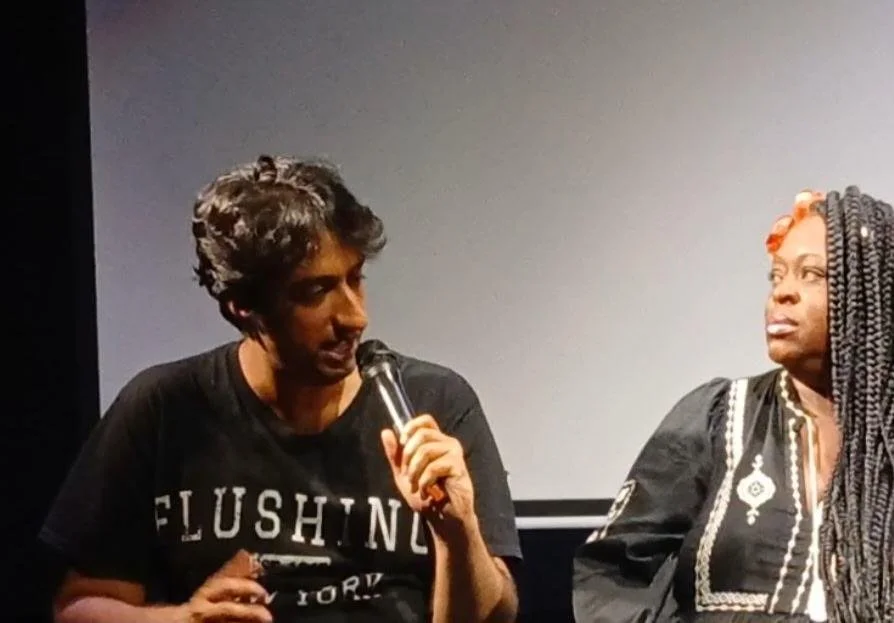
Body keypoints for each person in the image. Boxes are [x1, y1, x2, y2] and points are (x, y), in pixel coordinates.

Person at [40, 155, 522, 623]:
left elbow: (491, 617)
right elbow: (80, 606)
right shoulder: (162, 409)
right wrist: (185, 620)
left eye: (356, 279)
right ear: (242, 308)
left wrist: (456, 532)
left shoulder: (433, 404)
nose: (355, 316)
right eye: (315, 292)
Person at [572, 187, 893, 622]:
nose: (783, 294)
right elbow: (611, 577)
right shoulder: (720, 416)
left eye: (812, 274)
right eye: (777, 276)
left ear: (874, 293)